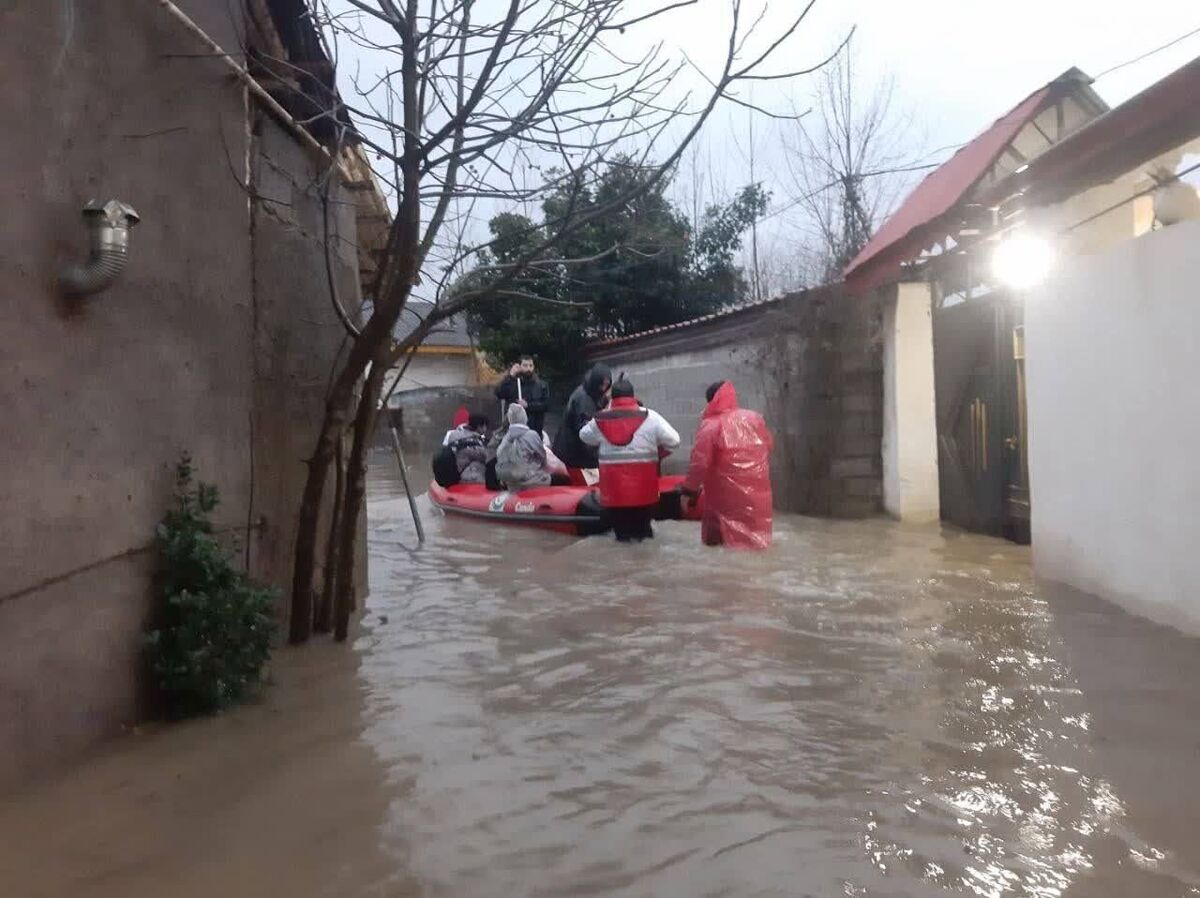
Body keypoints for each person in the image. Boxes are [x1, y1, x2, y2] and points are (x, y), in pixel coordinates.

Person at [580, 379, 679, 542]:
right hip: (643, 489)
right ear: (633, 396)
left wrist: (606, 411)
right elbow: (674, 441)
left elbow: (584, 436)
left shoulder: (601, 419)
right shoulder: (651, 416)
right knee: (645, 535)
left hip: (614, 491)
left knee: (622, 537)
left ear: (612, 398)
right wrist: (657, 454)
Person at [680, 380, 774, 549]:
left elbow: (699, 463)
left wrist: (689, 492)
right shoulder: (755, 418)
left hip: (726, 495)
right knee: (756, 542)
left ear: (710, 401)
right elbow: (769, 445)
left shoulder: (710, 425)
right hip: (758, 492)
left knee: (721, 542)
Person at [552, 362, 612, 479]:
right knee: (591, 484)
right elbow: (586, 434)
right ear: (596, 382)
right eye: (602, 385)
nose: (604, 389)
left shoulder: (589, 392)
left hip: (574, 454)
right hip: (573, 456)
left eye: (607, 385)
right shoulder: (583, 400)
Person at [495, 404, 571, 490]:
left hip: (511, 485)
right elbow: (542, 457)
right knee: (563, 479)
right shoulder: (532, 435)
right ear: (525, 418)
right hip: (532, 480)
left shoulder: (504, 440)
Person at [495, 356, 549, 436]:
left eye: (531, 365)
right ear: (519, 367)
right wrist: (510, 376)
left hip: (534, 430)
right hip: (514, 431)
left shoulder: (541, 385)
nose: (528, 368)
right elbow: (499, 393)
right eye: (525, 365)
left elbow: (546, 405)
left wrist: (528, 405)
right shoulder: (512, 383)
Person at [432, 413, 489, 486]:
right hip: (465, 477)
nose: (486, 429)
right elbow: (487, 457)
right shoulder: (476, 443)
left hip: (453, 471)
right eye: (485, 426)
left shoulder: (453, 434)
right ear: (479, 427)